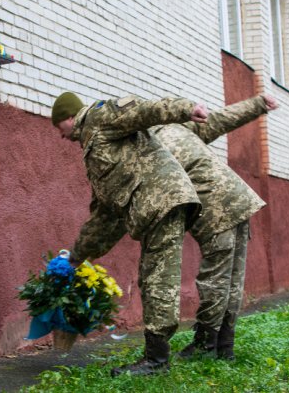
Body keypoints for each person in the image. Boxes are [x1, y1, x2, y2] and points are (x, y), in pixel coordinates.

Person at [51, 92, 207, 377]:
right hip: (153, 206)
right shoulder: (94, 145)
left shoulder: (99, 116)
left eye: (59, 129)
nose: (61, 137)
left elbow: (142, 110)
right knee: (150, 278)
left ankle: (157, 362)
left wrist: (186, 109)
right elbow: (105, 215)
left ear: (68, 118)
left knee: (158, 279)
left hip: (162, 198)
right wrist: (77, 255)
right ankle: (155, 356)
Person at [150, 94, 278, 360]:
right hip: (240, 200)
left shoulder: (150, 144)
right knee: (231, 279)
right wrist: (256, 104)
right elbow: (220, 119)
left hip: (215, 212)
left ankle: (206, 345)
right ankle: (224, 347)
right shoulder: (180, 128)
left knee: (215, 280)